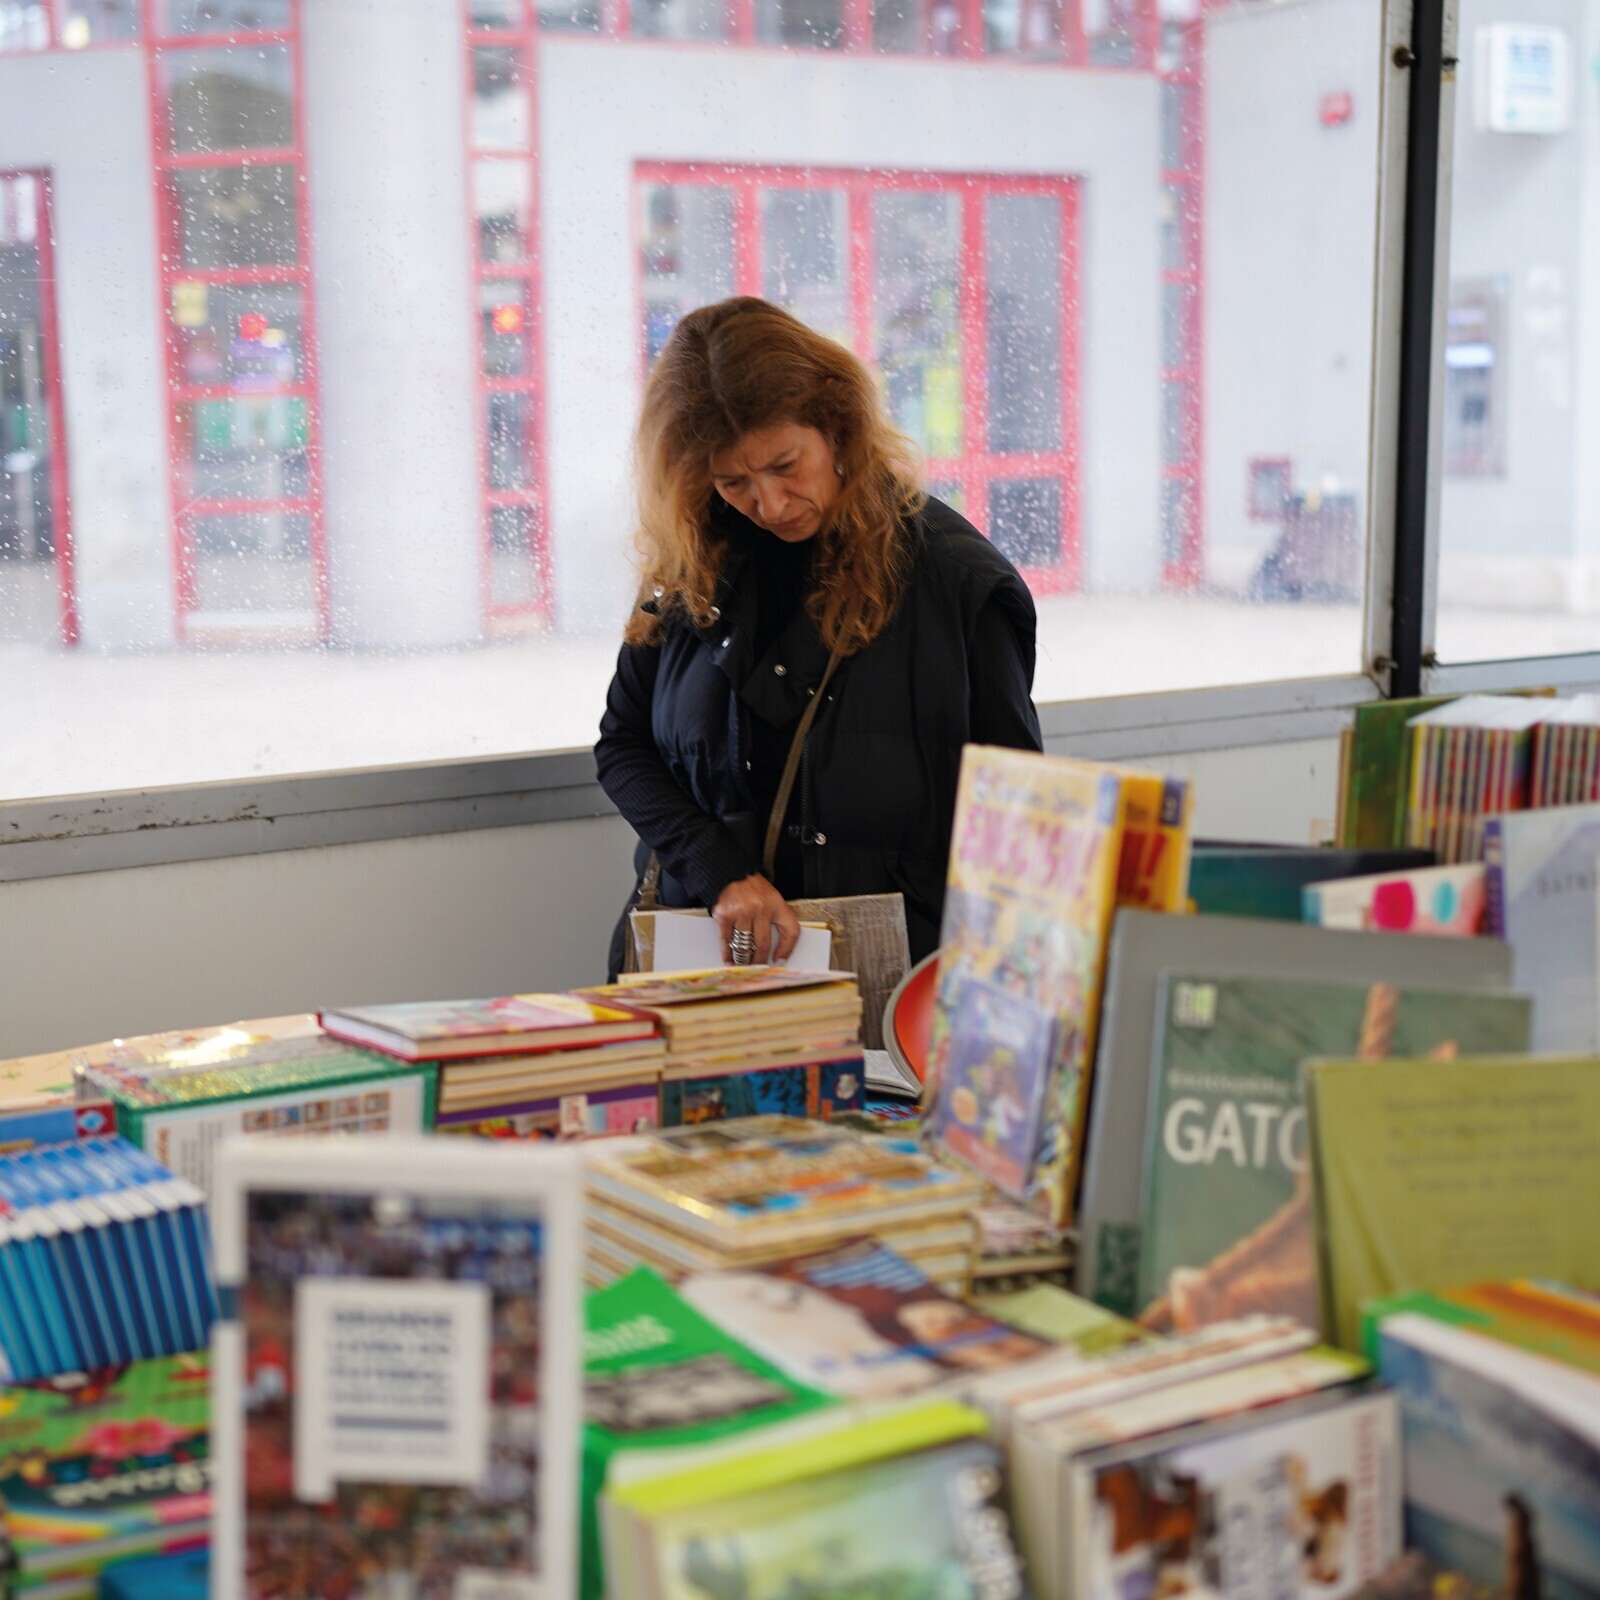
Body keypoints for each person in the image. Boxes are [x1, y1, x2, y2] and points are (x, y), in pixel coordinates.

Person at [595, 296, 1042, 975]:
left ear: (837, 423)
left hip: (898, 985)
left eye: (785, 465)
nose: (769, 504)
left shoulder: (956, 582)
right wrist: (718, 870)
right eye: (733, 481)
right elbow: (622, 744)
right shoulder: (695, 560)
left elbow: (1019, 812)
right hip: (708, 970)